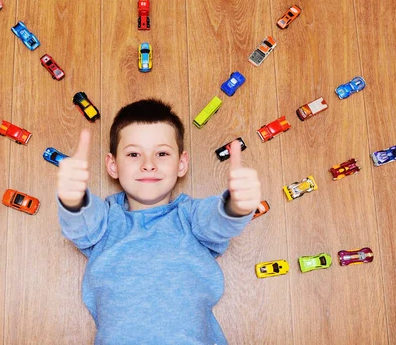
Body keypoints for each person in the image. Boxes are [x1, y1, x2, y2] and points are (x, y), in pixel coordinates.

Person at [57, 99, 262, 345]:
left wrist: (237, 205)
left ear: (181, 164)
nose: (148, 165)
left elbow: (217, 221)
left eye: (162, 153)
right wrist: (72, 198)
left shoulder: (191, 216)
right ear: (113, 165)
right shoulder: (105, 221)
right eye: (134, 154)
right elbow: (81, 225)